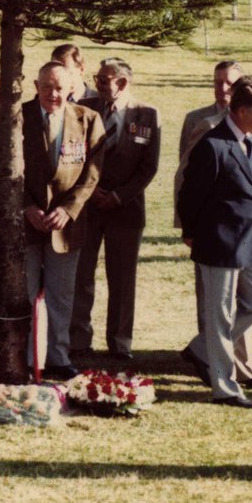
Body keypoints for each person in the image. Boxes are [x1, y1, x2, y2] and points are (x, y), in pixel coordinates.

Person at [177, 78, 252, 409]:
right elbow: (190, 195)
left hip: (250, 243)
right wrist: (191, 232)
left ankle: (202, 348)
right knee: (219, 316)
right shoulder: (213, 145)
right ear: (242, 111)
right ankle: (225, 387)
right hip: (218, 244)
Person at [70, 58, 159, 361]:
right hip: (86, 207)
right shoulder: (82, 107)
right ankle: (78, 340)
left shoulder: (147, 114)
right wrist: (92, 192)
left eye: (105, 79)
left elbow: (149, 167)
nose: (98, 83)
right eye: (97, 78)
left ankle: (120, 343)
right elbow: (73, 155)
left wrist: (118, 197)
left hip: (126, 210)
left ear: (122, 83)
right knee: (81, 275)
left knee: (122, 279)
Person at [23, 61, 104, 380]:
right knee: (27, 295)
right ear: (36, 85)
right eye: (46, 87)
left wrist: (68, 210)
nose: (53, 94)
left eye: (59, 87)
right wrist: (26, 207)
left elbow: (93, 174)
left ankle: (57, 355)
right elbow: (2, 167)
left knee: (61, 294)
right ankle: (31, 358)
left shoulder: (88, 119)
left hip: (66, 225)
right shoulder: (18, 117)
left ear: (72, 87)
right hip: (28, 222)